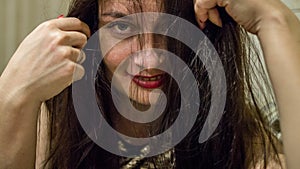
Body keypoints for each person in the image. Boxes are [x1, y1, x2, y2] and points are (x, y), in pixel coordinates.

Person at [0, 0, 299, 168]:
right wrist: (14, 95)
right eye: (121, 26)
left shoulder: (235, 134)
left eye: (171, 28)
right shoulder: (54, 117)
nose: (150, 60)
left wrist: (274, 20)